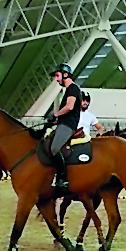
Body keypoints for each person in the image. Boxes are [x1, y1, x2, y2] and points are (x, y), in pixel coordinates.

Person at [46, 63, 82, 193]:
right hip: (63, 123)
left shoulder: (73, 89)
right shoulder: (68, 90)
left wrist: (55, 115)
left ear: (65, 74)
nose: (56, 79)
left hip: (68, 125)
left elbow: (70, 107)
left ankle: (62, 178)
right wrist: (54, 121)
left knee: (55, 148)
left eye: (57, 75)